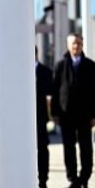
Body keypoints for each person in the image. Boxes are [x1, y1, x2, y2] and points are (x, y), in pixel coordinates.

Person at [52, 33, 95, 188]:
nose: (76, 46)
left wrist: (93, 115)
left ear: (82, 44)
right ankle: (73, 178)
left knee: (86, 148)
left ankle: (84, 177)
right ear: (68, 45)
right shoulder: (60, 65)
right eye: (73, 43)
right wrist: (54, 113)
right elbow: (55, 91)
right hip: (66, 114)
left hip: (85, 115)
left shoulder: (91, 66)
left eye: (79, 43)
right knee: (69, 147)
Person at [36, 46, 54, 188]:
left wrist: (52, 116)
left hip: (41, 118)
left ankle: (43, 179)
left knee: (42, 149)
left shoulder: (46, 71)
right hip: (23, 122)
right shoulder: (19, 72)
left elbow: (51, 96)